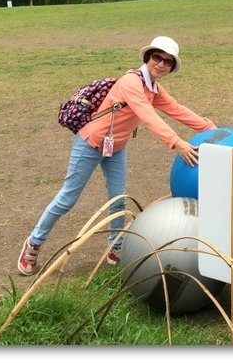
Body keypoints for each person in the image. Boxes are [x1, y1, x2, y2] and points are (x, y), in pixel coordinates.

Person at [17, 36, 217, 276]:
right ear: (147, 57)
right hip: (90, 144)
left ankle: (116, 247)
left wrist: (210, 128)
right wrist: (176, 143)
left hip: (116, 148)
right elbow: (147, 115)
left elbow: (177, 110)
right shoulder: (130, 83)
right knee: (67, 198)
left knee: (119, 199)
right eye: (157, 57)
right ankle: (34, 243)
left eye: (168, 61)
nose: (161, 64)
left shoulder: (153, 88)